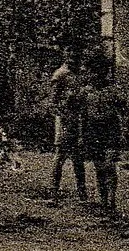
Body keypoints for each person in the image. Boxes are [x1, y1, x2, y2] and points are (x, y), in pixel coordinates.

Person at [78, 51, 127, 214]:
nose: (93, 75)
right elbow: (82, 115)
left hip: (111, 128)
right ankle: (103, 201)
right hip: (93, 130)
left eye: (97, 72)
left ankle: (112, 200)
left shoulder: (114, 90)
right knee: (99, 167)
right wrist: (81, 135)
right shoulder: (85, 91)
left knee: (109, 165)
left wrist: (125, 131)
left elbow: (124, 109)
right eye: (90, 72)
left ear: (103, 72)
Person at [48, 42, 89, 202]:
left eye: (75, 54)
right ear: (65, 54)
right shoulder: (60, 74)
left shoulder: (80, 74)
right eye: (69, 53)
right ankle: (54, 192)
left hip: (78, 120)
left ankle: (82, 193)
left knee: (78, 159)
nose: (73, 57)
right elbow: (53, 102)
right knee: (60, 156)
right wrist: (63, 112)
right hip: (65, 120)